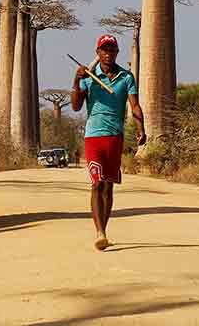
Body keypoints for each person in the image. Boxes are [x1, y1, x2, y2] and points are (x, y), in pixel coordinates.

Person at [71, 33, 146, 251]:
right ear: (98, 53)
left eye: (111, 49)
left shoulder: (126, 77)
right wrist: (76, 80)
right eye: (104, 50)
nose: (108, 53)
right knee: (96, 183)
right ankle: (99, 232)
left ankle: (104, 229)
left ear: (117, 53)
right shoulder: (88, 78)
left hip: (115, 136)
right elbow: (76, 106)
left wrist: (142, 129)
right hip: (93, 136)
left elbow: (135, 106)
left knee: (108, 187)